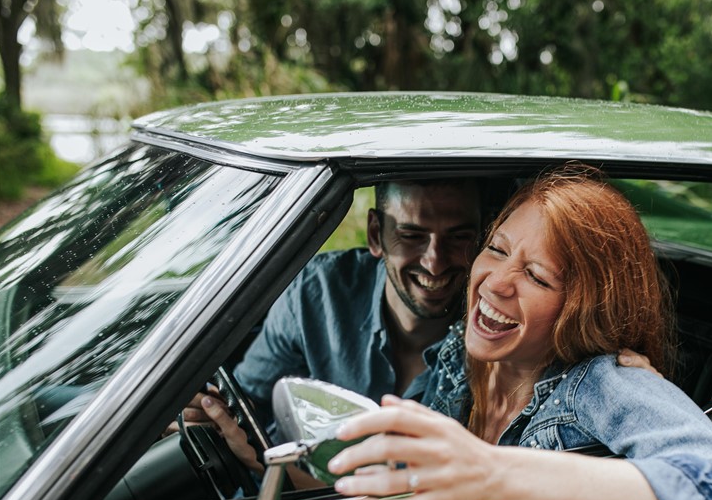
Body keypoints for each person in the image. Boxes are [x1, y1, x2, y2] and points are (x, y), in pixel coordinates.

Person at [322, 165, 712, 500]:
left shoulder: (606, 383)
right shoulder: (464, 349)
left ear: (584, 308)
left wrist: (495, 473)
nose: (496, 283)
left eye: (538, 276)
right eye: (498, 250)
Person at [178, 178, 484, 436]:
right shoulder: (316, 294)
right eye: (411, 236)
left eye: (459, 238)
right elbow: (248, 406)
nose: (435, 262)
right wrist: (206, 414)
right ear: (376, 235)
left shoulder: (495, 334)